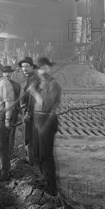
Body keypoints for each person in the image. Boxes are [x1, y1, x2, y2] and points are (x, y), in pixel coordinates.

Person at [29, 57, 62, 195]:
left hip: (47, 120)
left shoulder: (54, 85)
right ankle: (44, 183)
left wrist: (35, 93)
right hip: (37, 119)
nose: (43, 71)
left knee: (46, 156)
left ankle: (51, 189)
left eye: (45, 68)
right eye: (40, 68)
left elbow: (46, 104)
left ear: (50, 68)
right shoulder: (40, 84)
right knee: (37, 154)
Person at [18, 56, 38, 164]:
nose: (24, 68)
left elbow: (33, 97)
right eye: (22, 66)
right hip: (25, 110)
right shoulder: (27, 79)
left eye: (26, 66)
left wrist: (29, 113)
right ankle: (29, 158)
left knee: (29, 136)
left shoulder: (34, 79)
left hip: (31, 112)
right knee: (27, 134)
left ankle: (31, 162)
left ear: (32, 67)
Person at [3, 65, 21, 158]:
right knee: (1, 135)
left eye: (9, 72)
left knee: (11, 134)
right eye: (5, 72)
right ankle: (1, 154)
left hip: (13, 113)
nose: (7, 74)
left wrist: (19, 111)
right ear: (2, 73)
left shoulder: (16, 85)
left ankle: (9, 154)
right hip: (1, 114)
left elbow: (18, 100)